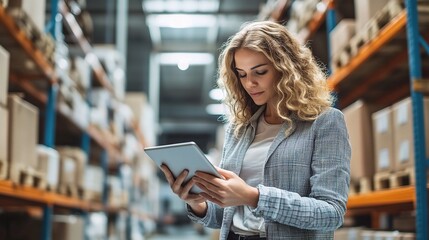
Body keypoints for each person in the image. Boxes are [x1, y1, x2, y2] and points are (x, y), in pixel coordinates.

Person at [160, 21, 351, 239]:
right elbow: (225, 215)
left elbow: (331, 213)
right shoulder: (239, 129)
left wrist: (254, 197)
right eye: (241, 74)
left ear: (286, 68)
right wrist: (198, 203)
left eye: (259, 72)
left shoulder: (325, 123)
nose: (249, 83)